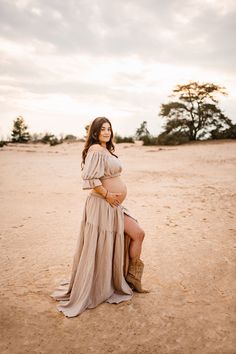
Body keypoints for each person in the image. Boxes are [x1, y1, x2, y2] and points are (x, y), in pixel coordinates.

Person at [50, 117, 149, 318]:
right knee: (108, 242)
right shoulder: (95, 150)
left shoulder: (106, 150)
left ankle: (131, 278)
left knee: (137, 234)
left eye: (109, 129)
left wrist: (114, 197)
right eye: (102, 129)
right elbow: (90, 178)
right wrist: (106, 195)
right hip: (102, 204)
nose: (106, 132)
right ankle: (112, 282)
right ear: (95, 133)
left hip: (114, 205)